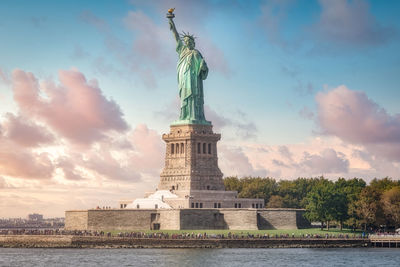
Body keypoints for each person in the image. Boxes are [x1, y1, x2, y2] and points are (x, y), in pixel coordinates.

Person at [169, 18, 209, 123]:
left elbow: (203, 67)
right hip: (183, 78)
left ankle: (194, 116)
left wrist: (203, 67)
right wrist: (172, 23)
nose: (187, 43)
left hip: (193, 79)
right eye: (186, 41)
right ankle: (184, 116)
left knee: (193, 96)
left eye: (189, 41)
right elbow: (177, 38)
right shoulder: (182, 51)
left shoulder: (196, 53)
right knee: (184, 97)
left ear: (193, 43)